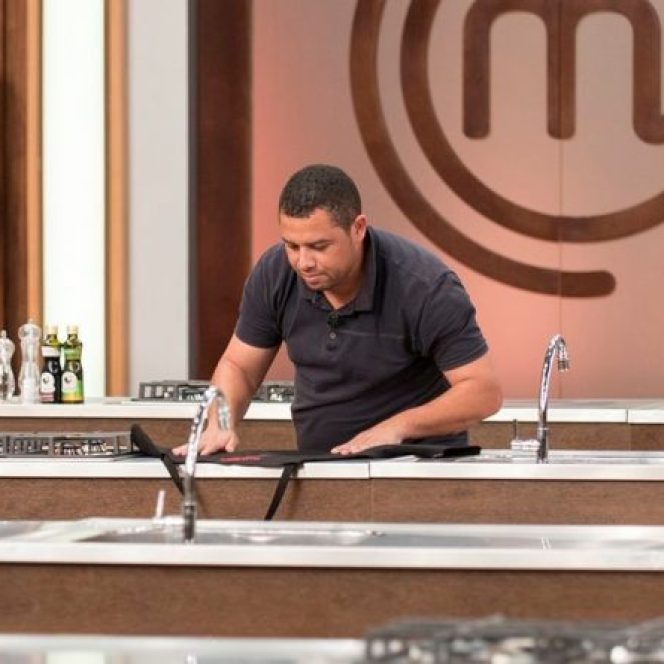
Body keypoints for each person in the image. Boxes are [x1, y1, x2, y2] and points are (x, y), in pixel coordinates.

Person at [174, 164, 502, 457]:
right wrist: (221, 422)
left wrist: (396, 428)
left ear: (358, 228)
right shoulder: (274, 273)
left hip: (416, 471)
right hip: (320, 468)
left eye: (319, 246)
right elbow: (239, 366)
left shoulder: (425, 286)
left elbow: (482, 392)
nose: (303, 262)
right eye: (292, 245)